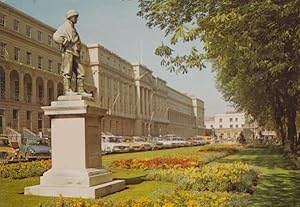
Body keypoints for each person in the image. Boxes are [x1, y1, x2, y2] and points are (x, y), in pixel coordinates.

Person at [53, 9, 86, 94]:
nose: (76, 19)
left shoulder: (73, 28)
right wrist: (64, 41)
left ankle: (80, 90)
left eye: (76, 17)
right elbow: (56, 37)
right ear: (70, 17)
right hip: (68, 51)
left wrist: (78, 46)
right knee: (67, 71)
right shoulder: (63, 27)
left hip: (75, 52)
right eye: (75, 17)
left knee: (81, 71)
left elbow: (77, 41)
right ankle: (67, 90)